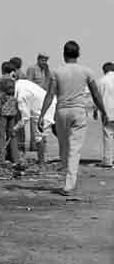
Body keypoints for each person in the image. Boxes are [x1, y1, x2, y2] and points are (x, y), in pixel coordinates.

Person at [37, 41, 109, 196]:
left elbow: (50, 95)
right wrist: (103, 111)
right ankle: (69, 184)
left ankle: (67, 180)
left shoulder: (56, 72)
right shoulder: (87, 72)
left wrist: (42, 115)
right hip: (78, 111)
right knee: (75, 148)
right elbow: (96, 94)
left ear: (64, 54)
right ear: (78, 54)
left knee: (64, 147)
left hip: (62, 112)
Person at [14, 76, 54, 166]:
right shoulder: (20, 82)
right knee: (54, 133)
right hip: (49, 103)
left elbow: (25, 117)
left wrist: (15, 128)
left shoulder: (21, 96)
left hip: (43, 109)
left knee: (39, 137)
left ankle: (41, 162)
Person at [0, 62, 21, 164]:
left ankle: (1, 158)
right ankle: (15, 157)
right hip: (13, 111)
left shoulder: (2, 80)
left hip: (3, 111)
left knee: (1, 134)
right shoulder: (14, 81)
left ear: (3, 70)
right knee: (12, 134)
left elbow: (0, 97)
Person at [99, 62, 114, 168]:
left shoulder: (102, 81)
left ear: (104, 70)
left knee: (108, 135)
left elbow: (98, 97)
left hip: (107, 111)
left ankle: (108, 161)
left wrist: (96, 110)